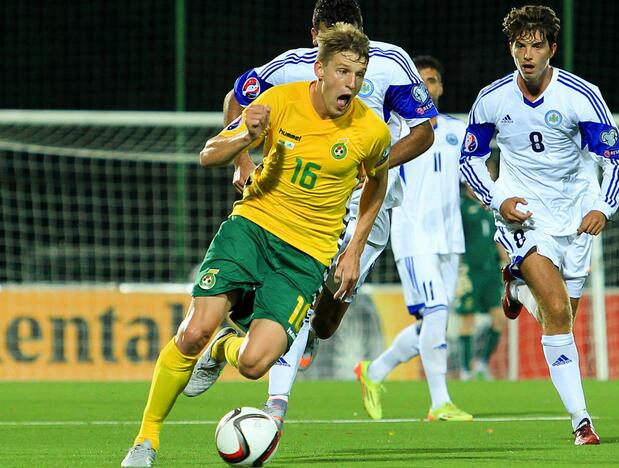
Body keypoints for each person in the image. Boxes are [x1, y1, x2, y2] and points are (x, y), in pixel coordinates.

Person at [120, 23, 391, 467]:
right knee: (191, 331)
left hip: (305, 256)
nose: (352, 84)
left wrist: (355, 248)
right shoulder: (279, 102)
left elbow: (377, 185)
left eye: (359, 74)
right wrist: (245, 138)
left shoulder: (371, 131)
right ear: (320, 70)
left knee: (253, 363)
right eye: (343, 72)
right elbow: (208, 154)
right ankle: (145, 442)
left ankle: (223, 349)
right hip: (252, 227)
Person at [217, 0, 437, 429]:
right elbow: (234, 98)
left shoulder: (390, 64)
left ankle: (307, 335)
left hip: (367, 205)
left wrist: (377, 164)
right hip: (301, 205)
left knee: (329, 315)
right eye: (332, 36)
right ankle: (274, 409)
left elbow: (424, 131)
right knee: (301, 294)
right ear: (314, 35)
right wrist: (242, 161)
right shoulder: (289, 68)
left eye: (351, 35)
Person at [459, 5, 619, 445]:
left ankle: (516, 288)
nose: (527, 53)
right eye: (520, 44)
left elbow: (615, 159)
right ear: (511, 48)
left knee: (563, 317)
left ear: (552, 48)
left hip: (575, 218)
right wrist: (499, 199)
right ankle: (582, 421)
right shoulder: (492, 99)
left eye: (537, 45)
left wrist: (603, 208)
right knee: (556, 310)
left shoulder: (580, 96)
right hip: (524, 216)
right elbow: (470, 159)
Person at [354, 55, 472, 421]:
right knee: (436, 311)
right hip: (414, 234)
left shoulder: (458, 129)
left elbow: (473, 177)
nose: (428, 86)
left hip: (451, 238)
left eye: (433, 80)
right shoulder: (396, 135)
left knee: (432, 323)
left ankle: (372, 372)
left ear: (440, 86)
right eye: (421, 81)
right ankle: (439, 403)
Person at [455, 185, 508, 381]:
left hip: (491, 271)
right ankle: (465, 370)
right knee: (468, 318)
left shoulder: (491, 208)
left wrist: (509, 263)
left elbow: (498, 241)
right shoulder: (460, 206)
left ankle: (482, 363)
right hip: (469, 270)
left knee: (499, 319)